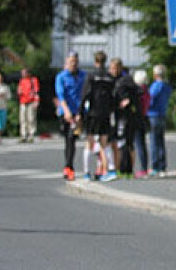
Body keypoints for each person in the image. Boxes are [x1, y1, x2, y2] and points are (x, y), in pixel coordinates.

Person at [80, 50, 116, 182]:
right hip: (105, 113)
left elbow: (85, 95)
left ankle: (86, 172)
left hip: (93, 113)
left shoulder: (91, 76)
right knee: (105, 143)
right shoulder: (109, 77)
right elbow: (113, 96)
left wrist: (80, 112)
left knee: (89, 143)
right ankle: (110, 169)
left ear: (95, 61)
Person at [55, 51, 86, 181]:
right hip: (66, 112)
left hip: (78, 112)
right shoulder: (61, 77)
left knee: (72, 139)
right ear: (66, 63)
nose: (73, 64)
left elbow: (84, 94)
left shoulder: (82, 75)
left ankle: (69, 167)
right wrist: (66, 111)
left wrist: (80, 113)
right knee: (68, 140)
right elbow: (61, 95)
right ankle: (68, 167)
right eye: (71, 62)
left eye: (75, 62)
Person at [111, 58, 142, 177]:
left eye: (115, 68)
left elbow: (139, 91)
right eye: (111, 68)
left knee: (126, 143)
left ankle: (128, 169)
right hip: (116, 114)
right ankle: (118, 168)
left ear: (120, 68)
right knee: (117, 143)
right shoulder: (111, 79)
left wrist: (129, 100)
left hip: (126, 116)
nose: (113, 70)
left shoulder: (126, 79)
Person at [147, 64, 172, 178]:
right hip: (162, 114)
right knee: (161, 141)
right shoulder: (166, 86)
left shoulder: (156, 86)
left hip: (153, 114)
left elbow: (150, 99)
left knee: (154, 141)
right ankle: (162, 166)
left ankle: (155, 166)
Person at [132, 69, 150, 178]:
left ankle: (143, 168)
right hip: (144, 118)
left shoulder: (138, 92)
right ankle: (144, 167)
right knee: (142, 144)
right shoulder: (146, 90)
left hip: (137, 119)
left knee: (139, 144)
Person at [17, 67, 40, 142]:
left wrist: (36, 101)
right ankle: (23, 135)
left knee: (31, 118)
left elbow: (36, 92)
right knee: (23, 119)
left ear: (28, 73)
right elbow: (19, 90)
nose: (23, 74)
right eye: (22, 73)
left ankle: (31, 135)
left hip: (31, 101)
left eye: (24, 73)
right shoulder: (21, 81)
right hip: (23, 101)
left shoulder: (33, 80)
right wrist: (19, 92)